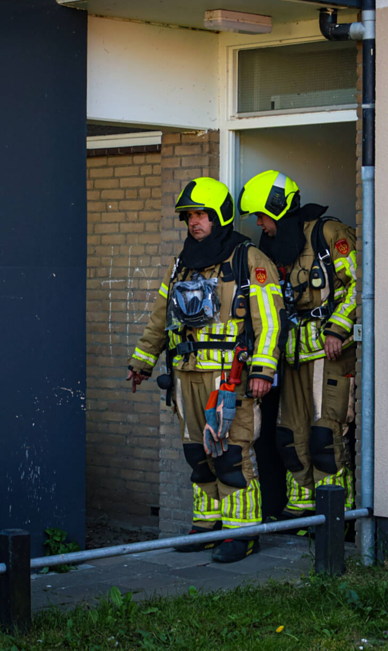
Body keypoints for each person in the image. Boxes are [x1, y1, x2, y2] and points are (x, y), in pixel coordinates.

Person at [127, 177, 283, 563]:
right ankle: (207, 526)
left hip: (228, 378)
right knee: (197, 453)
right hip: (185, 375)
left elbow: (271, 321)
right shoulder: (181, 264)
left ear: (220, 216)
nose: (194, 223)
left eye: (201, 215)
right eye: (190, 216)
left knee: (231, 454)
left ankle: (243, 533)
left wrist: (262, 370)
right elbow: (160, 317)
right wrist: (142, 361)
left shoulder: (247, 260)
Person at [238, 170, 358, 522]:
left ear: (277, 208)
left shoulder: (328, 233)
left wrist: (338, 327)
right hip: (291, 355)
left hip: (330, 353)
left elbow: (360, 282)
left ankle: (337, 516)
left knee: (326, 435)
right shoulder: (273, 248)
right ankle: (302, 513)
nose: (260, 224)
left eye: (262, 215)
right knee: (290, 437)